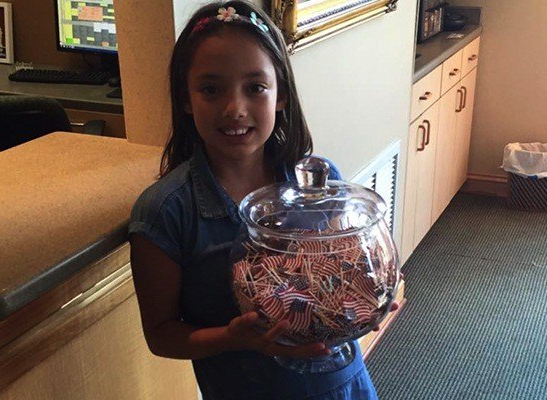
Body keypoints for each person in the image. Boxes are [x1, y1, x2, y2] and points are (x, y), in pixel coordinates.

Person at [129, 1, 387, 398]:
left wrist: (373, 293)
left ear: (281, 94)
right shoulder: (166, 212)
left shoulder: (322, 184)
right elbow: (161, 335)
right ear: (185, 98)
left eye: (255, 88)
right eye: (211, 89)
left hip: (342, 385)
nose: (235, 109)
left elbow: (350, 269)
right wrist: (233, 338)